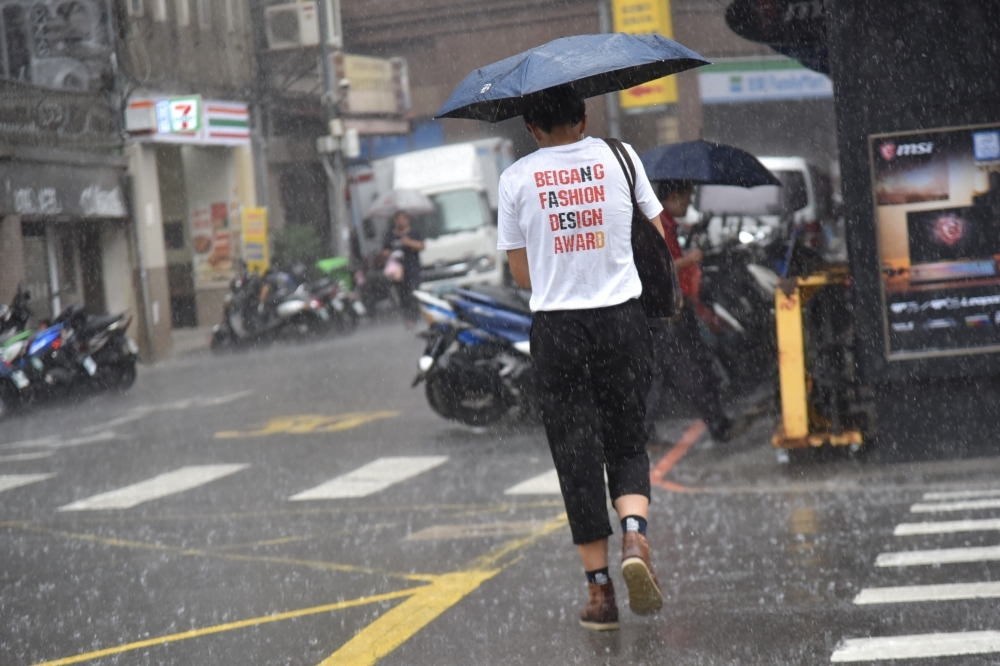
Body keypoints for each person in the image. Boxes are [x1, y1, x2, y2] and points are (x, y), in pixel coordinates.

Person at [497, 84, 664, 631]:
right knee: (626, 436)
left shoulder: (516, 179)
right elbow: (657, 234)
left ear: (530, 127)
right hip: (622, 318)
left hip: (557, 329)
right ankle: (634, 532)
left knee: (575, 452)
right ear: (584, 115)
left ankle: (600, 595)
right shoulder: (621, 155)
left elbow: (522, 276)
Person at [644, 180, 733, 443]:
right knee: (690, 370)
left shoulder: (666, 222)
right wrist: (690, 259)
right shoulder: (658, 224)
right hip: (668, 312)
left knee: (662, 374)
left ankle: (646, 434)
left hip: (669, 309)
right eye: (687, 197)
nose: (690, 203)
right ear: (673, 196)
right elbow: (660, 266)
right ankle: (718, 424)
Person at [382, 211, 425, 328]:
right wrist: (393, 250)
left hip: (413, 269)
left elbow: (421, 246)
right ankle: (407, 318)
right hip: (397, 271)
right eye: (398, 219)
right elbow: (384, 251)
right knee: (402, 296)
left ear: (407, 220)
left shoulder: (414, 233)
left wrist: (408, 242)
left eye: (403, 219)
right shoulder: (390, 235)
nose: (400, 221)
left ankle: (414, 317)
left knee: (413, 293)